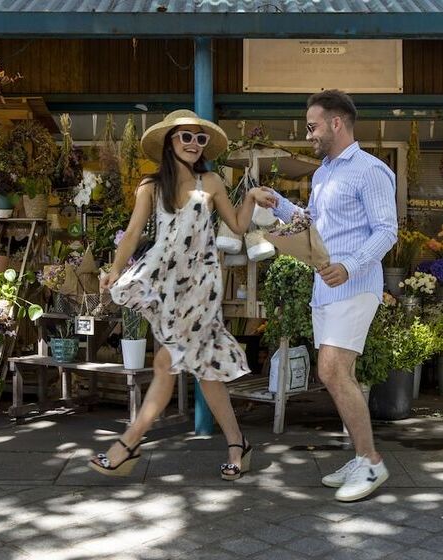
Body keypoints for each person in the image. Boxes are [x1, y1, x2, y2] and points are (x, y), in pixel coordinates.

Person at [92, 109, 276, 479]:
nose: (194, 144)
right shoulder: (151, 186)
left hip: (201, 284)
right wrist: (114, 269)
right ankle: (238, 443)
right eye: (185, 137)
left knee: (165, 364)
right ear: (169, 142)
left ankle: (128, 445)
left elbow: (238, 226)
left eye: (200, 138)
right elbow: (132, 234)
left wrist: (252, 196)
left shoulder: (211, 181)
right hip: (167, 283)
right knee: (205, 371)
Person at [267, 90, 398, 502]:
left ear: (336, 123)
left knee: (332, 370)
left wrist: (351, 265)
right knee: (343, 375)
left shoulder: (370, 170)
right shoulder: (323, 173)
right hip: (325, 287)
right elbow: (313, 224)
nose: (309, 135)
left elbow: (387, 230)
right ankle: (360, 458)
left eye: (313, 126)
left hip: (354, 286)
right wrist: (278, 204)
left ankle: (372, 462)